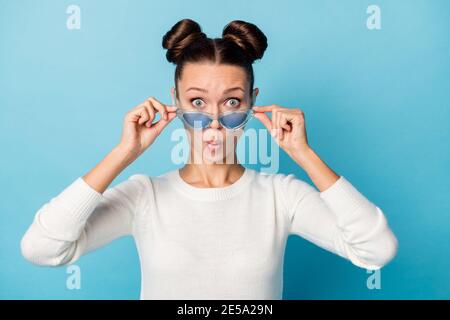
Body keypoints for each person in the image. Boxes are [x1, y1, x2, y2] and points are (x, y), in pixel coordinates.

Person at [21, 19, 398, 299]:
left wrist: (304, 154)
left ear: (252, 102)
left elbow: (376, 250)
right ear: (176, 101)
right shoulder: (144, 197)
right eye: (198, 102)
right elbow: (42, 248)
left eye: (232, 102)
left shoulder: (281, 196)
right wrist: (124, 154)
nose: (214, 121)